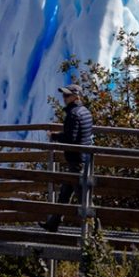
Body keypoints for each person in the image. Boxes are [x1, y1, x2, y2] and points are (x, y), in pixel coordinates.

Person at [40, 83, 93, 232]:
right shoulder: (85, 112)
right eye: (64, 95)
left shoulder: (73, 114)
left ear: (76, 96)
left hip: (76, 160)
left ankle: (96, 232)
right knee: (65, 193)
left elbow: (71, 138)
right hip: (84, 159)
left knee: (84, 198)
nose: (64, 98)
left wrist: (55, 136)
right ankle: (53, 223)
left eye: (67, 95)